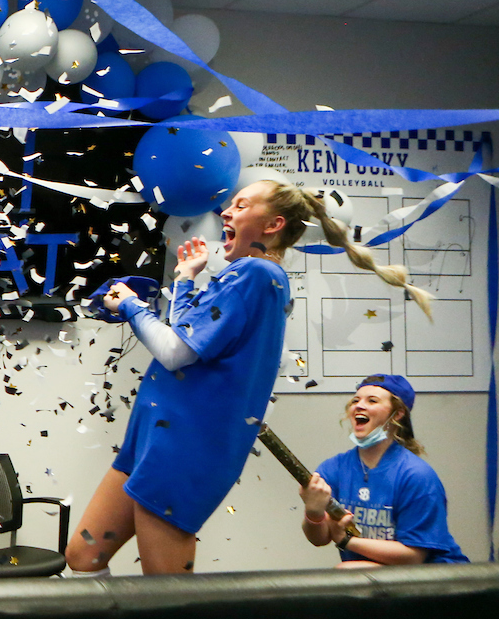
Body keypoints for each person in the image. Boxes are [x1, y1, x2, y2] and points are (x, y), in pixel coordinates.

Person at [65, 180, 436, 576]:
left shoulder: (258, 274)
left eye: (240, 206)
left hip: (183, 450)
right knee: (83, 556)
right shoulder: (239, 276)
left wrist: (131, 305)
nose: (225, 212)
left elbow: (174, 353)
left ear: (272, 224)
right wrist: (187, 279)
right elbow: (186, 337)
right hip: (150, 438)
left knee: (164, 597)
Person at [299, 374, 467, 566]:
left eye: (372, 401)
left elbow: (413, 557)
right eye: (356, 400)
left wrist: (347, 541)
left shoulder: (416, 475)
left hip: (433, 578)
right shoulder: (334, 469)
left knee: (347, 571)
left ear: (397, 414)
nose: (359, 406)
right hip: (380, 574)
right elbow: (320, 539)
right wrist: (313, 512)